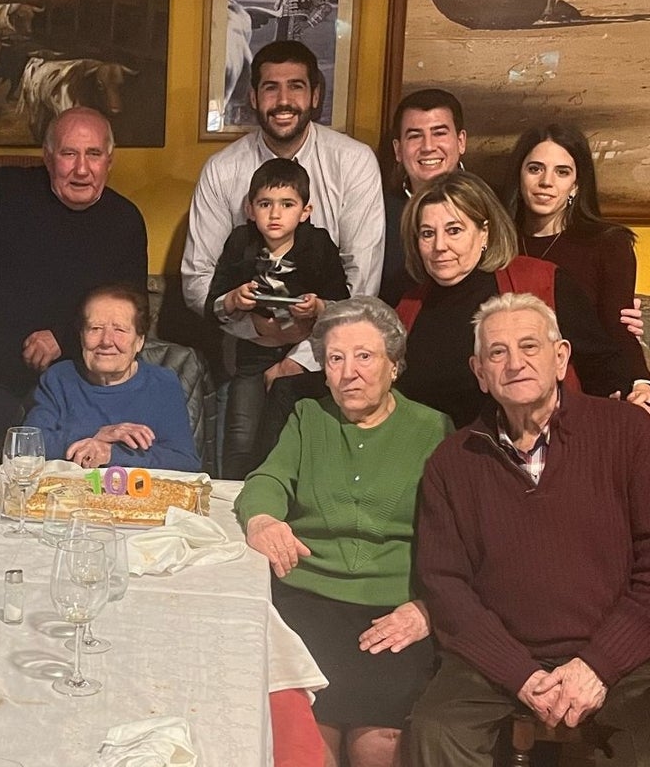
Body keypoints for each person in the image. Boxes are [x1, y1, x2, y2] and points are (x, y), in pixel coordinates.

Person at [411, 293, 650, 765]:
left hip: (621, 654)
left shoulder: (629, 432)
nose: (514, 363)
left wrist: (599, 665)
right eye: (497, 353)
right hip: (498, 658)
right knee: (434, 730)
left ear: (560, 357)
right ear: (479, 372)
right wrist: (518, 673)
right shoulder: (452, 461)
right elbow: (445, 587)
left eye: (529, 347)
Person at [236, 297, 453, 767]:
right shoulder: (308, 418)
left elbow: (458, 536)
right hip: (306, 603)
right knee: (310, 745)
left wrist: (428, 607)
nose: (348, 372)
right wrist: (264, 519)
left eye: (364, 356)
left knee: (380, 746)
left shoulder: (433, 429)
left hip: (394, 615)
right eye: (336, 358)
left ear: (394, 366)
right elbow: (265, 482)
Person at [183, 40, 384, 388]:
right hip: (246, 345)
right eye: (271, 88)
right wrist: (255, 326)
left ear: (316, 95)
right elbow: (196, 279)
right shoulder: (222, 170)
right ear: (253, 97)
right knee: (240, 441)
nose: (283, 101)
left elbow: (361, 284)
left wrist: (303, 356)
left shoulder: (353, 162)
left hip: (334, 350)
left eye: (296, 86)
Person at [396, 169, 646, 427]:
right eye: (427, 233)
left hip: (539, 454)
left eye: (454, 230)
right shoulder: (406, 307)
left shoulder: (541, 282)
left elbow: (605, 368)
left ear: (484, 232)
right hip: (432, 460)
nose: (439, 246)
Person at [0, 106, 148, 407]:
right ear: (48, 157)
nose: (82, 169)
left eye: (93, 154)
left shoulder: (125, 221)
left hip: (79, 388)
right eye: (69, 154)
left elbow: (132, 310)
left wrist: (63, 338)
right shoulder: (1, 192)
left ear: (110, 160)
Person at [206, 158, 349, 479]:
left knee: (289, 435)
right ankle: (234, 496)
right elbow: (212, 305)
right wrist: (233, 299)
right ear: (249, 208)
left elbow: (343, 305)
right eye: (265, 204)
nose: (275, 214)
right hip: (251, 354)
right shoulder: (240, 242)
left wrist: (317, 307)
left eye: (287, 204)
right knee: (241, 435)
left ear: (305, 211)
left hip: (308, 359)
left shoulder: (318, 245)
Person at [504, 122, 649, 378]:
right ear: (519, 175)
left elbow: (620, 330)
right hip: (505, 379)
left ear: (576, 184)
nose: (546, 182)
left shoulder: (608, 244)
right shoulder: (496, 242)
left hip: (586, 384)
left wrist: (640, 383)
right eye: (535, 169)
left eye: (562, 172)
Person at [26, 284, 200, 470]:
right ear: (81, 336)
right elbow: (27, 447)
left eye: (120, 330)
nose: (106, 341)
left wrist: (111, 454)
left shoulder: (163, 384)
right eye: (95, 328)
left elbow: (185, 461)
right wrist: (96, 434)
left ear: (139, 341)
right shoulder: (59, 378)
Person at [382, 88, 468, 304]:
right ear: (398, 150)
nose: (428, 147)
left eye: (439, 133)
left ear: (461, 141)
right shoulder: (378, 212)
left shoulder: (489, 204)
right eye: (415, 136)